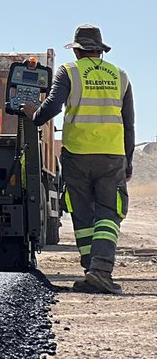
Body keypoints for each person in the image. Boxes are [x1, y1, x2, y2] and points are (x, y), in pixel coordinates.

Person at [23, 24, 135, 295]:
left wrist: (32, 115)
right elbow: (128, 124)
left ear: (78, 51)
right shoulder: (120, 76)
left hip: (77, 155)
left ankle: (92, 270)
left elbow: (52, 106)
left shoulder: (70, 71)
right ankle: (100, 269)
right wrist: (128, 161)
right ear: (100, 51)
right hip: (111, 155)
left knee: (83, 214)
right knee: (109, 214)